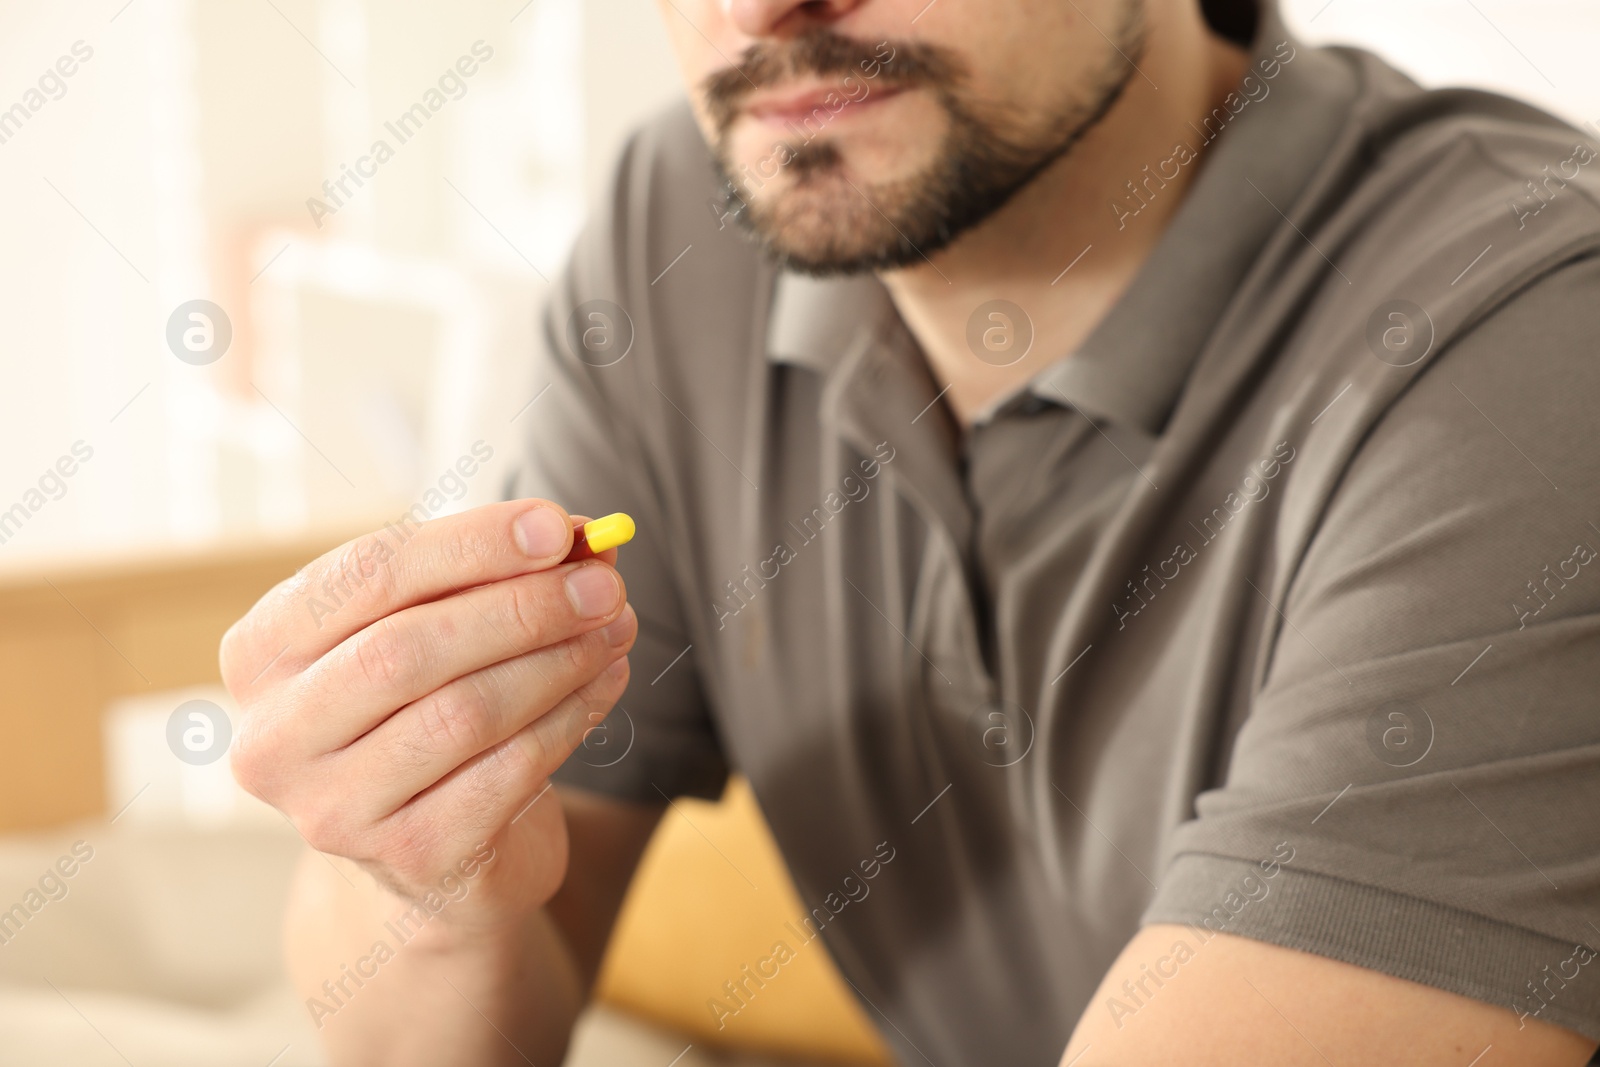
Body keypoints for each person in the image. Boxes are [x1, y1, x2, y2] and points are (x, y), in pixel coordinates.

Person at [220, 0, 1600, 1063]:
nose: (759, 7)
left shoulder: (1533, 344)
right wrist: (435, 880)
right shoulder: (681, 243)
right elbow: (423, 1019)